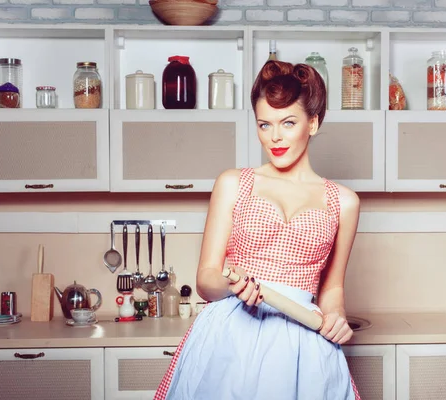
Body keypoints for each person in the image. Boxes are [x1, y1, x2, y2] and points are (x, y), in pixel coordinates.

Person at [154, 60, 361, 400]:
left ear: (313, 122)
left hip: (302, 341)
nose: (275, 137)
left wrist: (336, 315)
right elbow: (207, 278)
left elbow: (332, 287)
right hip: (230, 336)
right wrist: (233, 284)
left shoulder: (344, 201)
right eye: (264, 124)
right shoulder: (234, 183)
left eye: (288, 123)